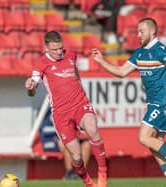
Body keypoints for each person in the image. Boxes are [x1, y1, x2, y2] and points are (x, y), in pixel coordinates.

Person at [91, 18, 166, 187]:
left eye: (142, 31)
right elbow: (121, 72)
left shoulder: (161, 51)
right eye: (137, 31)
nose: (138, 35)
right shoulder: (140, 53)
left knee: (144, 137)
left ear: (152, 32)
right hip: (155, 104)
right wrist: (101, 61)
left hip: (162, 103)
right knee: (155, 145)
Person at [25, 30, 107, 187]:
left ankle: (103, 172)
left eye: (60, 48)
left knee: (93, 131)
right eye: (55, 49)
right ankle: (88, 183)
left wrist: (79, 86)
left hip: (80, 104)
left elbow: (75, 72)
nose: (59, 52)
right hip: (61, 113)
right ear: (47, 47)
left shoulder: (70, 55)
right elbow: (33, 87)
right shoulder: (41, 63)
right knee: (76, 157)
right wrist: (30, 87)